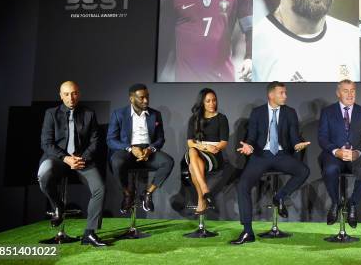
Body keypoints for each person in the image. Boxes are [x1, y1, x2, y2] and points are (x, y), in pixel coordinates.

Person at [230, 81, 311, 245]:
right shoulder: (257, 113)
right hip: (261, 155)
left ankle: (279, 197)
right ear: (271, 95)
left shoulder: (290, 112)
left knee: (303, 171)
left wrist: (298, 144)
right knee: (242, 186)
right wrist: (248, 146)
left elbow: (294, 136)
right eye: (282, 93)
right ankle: (247, 231)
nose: (285, 96)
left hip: (281, 155)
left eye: (285, 93)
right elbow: (251, 136)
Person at [38, 81, 106, 247]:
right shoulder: (51, 113)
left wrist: (82, 158)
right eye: (66, 94)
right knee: (43, 175)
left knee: (100, 189)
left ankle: (89, 233)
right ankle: (58, 207)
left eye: (74, 93)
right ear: (60, 95)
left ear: (79, 94)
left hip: (83, 160)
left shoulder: (89, 113)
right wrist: (65, 158)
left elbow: (95, 141)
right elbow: (46, 143)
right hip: (57, 159)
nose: (71, 98)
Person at [107, 83, 175, 214]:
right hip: (127, 150)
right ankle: (127, 194)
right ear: (131, 99)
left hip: (148, 151)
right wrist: (130, 148)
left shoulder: (155, 114)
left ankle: (148, 193)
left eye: (147, 97)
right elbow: (110, 140)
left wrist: (150, 149)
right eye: (141, 97)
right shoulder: (119, 114)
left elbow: (160, 139)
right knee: (115, 161)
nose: (146, 100)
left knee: (168, 161)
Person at [318, 79, 361, 228]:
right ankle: (336, 203)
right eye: (345, 91)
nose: (350, 94)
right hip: (334, 156)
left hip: (356, 157)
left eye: (353, 91)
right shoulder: (327, 112)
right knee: (329, 169)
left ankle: (352, 204)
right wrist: (336, 152)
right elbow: (322, 138)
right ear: (338, 93)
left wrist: (357, 152)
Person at [185, 88, 229, 214]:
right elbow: (190, 142)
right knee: (192, 151)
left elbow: (224, 142)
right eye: (208, 101)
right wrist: (205, 147)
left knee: (193, 167)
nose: (212, 103)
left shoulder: (221, 118)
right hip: (198, 150)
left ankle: (201, 197)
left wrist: (214, 148)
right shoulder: (194, 119)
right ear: (202, 103)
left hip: (214, 153)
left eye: (214, 100)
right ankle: (204, 190)